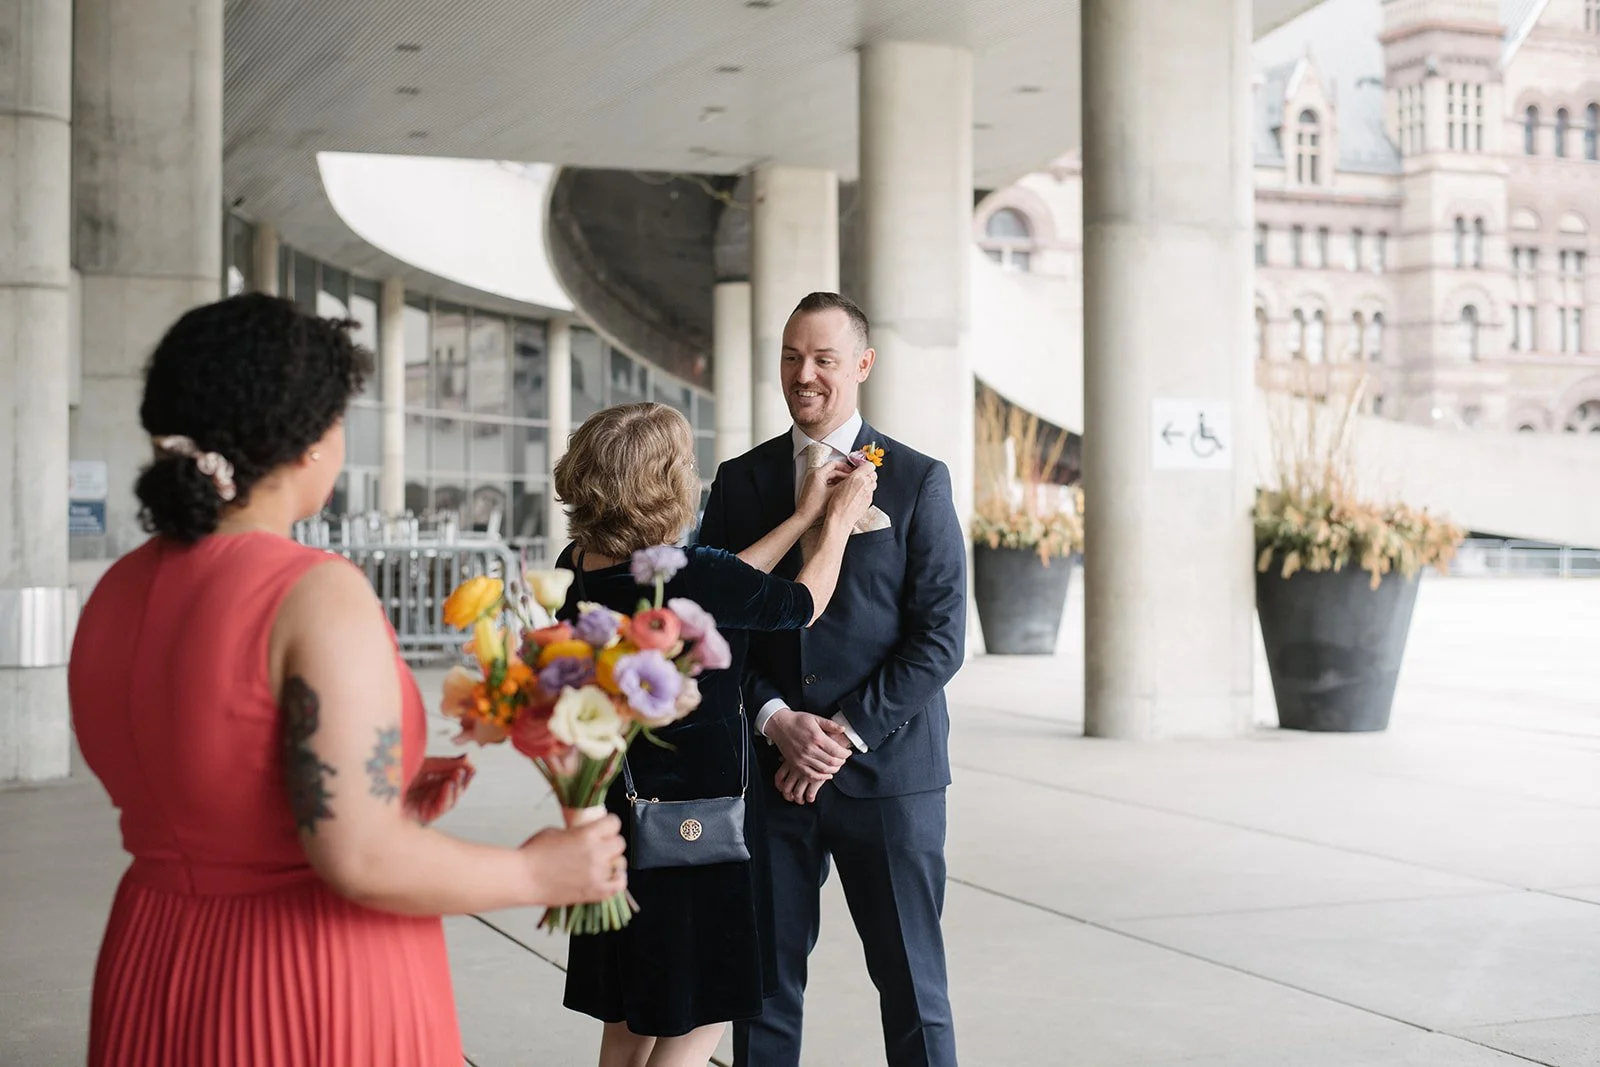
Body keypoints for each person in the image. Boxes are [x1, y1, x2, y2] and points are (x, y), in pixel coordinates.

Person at [68, 294, 628, 1067]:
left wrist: (380, 789)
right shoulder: (311, 590)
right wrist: (538, 870)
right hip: (302, 975)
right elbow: (359, 857)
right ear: (307, 438)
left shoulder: (116, 588)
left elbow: (201, 772)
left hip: (156, 954)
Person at [551, 401, 878, 1067]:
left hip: (616, 817)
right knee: (701, 1018)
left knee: (629, 1017)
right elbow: (799, 603)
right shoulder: (692, 574)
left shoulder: (581, 562)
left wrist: (797, 518)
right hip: (694, 832)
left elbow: (719, 582)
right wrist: (837, 523)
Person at [699, 292, 968, 1067]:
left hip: (890, 776)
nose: (804, 373)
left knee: (914, 987)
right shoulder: (741, 481)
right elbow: (715, 631)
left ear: (862, 364)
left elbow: (940, 638)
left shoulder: (918, 480)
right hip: (770, 776)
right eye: (791, 355)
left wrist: (842, 733)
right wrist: (775, 717)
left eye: (822, 357)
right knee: (763, 991)